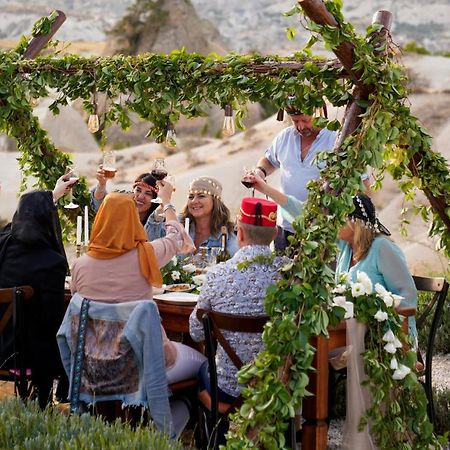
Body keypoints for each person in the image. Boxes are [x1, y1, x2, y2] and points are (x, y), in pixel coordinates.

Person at [70, 190, 206, 385]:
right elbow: (178, 236)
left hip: (96, 363)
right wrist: (167, 203)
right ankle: (181, 413)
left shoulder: (79, 265)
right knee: (205, 365)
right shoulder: (148, 254)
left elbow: (78, 306)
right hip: (144, 361)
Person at [189, 197, 285, 412]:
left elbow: (196, 333)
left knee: (202, 369)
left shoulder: (216, 275)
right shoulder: (291, 275)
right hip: (276, 383)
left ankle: (214, 436)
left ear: (239, 233)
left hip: (228, 386)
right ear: (275, 234)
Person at [247, 97, 369, 250]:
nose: (300, 126)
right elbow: (269, 160)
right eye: (295, 121)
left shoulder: (336, 139)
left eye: (305, 120)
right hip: (286, 228)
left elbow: (363, 184)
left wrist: (356, 225)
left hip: (323, 230)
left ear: (318, 112)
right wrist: (260, 172)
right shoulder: (285, 137)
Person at [0, 175, 74, 408]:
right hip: (24, 355)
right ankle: (53, 399)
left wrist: (52, 195)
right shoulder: (51, 261)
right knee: (65, 333)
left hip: (0, 344)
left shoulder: (2, 243)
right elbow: (51, 320)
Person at [147, 176, 239, 257]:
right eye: (191, 197)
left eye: (201, 196)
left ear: (215, 201)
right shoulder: (179, 223)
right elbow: (150, 239)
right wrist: (162, 204)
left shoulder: (226, 235)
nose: (194, 201)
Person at [91, 166, 161, 240]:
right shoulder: (121, 212)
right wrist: (101, 185)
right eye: (138, 190)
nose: (140, 196)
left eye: (148, 193)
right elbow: (100, 205)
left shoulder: (159, 225)